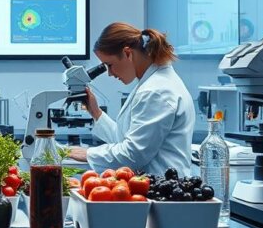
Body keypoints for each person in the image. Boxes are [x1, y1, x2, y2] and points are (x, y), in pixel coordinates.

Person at [68, 22, 195, 178]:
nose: (110, 73)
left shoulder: (155, 91)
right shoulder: (151, 84)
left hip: (162, 190)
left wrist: (88, 153)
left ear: (128, 53)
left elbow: (133, 154)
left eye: (109, 65)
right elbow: (124, 139)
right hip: (153, 186)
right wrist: (95, 111)